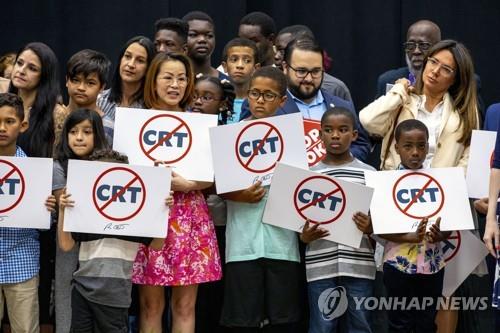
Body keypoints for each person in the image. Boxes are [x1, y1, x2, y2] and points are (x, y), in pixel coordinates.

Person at [132, 52, 222, 333]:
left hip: (190, 218)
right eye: (168, 77)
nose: (175, 85)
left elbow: (215, 176)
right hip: (148, 216)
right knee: (150, 307)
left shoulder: (199, 123)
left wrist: (191, 185)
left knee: (185, 307)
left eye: (182, 78)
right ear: (153, 81)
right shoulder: (135, 122)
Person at [219, 66, 301, 332]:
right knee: (243, 321)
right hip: (242, 243)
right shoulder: (230, 136)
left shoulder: (292, 138)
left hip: (283, 243)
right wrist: (237, 194)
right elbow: (216, 185)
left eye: (268, 95)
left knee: (283, 319)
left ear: (282, 100)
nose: (260, 101)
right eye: (255, 93)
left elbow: (303, 188)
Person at [57, 148, 172, 332]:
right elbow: (66, 244)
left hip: (115, 294)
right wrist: (63, 211)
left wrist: (162, 211)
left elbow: (157, 245)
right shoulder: (86, 214)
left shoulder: (135, 216)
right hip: (82, 289)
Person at [8, 42, 68, 332]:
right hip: (4, 214)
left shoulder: (57, 114)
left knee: (36, 302)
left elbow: (61, 167)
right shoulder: (2, 103)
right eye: (20, 63)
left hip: (40, 219)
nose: (22, 71)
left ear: (44, 76)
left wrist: (51, 200)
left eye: (32, 68)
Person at [300, 106, 376, 333]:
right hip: (320, 263)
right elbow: (299, 226)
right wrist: (304, 236)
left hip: (359, 264)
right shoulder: (308, 175)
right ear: (319, 134)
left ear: (354, 135)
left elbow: (379, 224)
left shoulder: (369, 174)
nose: (335, 135)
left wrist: (371, 227)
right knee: (322, 326)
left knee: (361, 325)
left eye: (343, 130)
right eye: (329, 130)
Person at [360, 39, 479, 171]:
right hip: (396, 186)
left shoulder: (463, 113)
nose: (435, 71)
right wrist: (399, 90)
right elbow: (368, 121)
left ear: (455, 79)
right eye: (433, 62)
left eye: (446, 69)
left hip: (442, 188)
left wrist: (450, 185)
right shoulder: (402, 102)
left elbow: (469, 159)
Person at [380, 119, 450, 332]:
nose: (415, 152)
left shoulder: (441, 181)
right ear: (397, 148)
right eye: (408, 146)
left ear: (428, 147)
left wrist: (440, 235)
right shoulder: (385, 181)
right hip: (397, 265)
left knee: (427, 322)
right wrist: (410, 237)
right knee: (399, 322)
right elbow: (380, 227)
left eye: (421, 146)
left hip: (432, 264)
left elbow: (450, 224)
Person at [0, 92, 56, 333]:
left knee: (26, 329)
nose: (2, 128)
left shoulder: (35, 172)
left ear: (23, 125)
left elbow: (44, 223)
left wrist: (49, 210)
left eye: (9, 121)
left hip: (20, 261)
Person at [52, 108, 109, 333]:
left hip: (100, 244)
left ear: (98, 135)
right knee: (66, 294)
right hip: (68, 241)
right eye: (73, 131)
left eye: (87, 131)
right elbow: (62, 205)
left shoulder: (110, 166)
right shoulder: (58, 166)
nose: (79, 137)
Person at [280, 38, 370, 162]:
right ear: (285, 67)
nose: (309, 79)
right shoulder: (269, 107)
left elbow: (361, 144)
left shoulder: (342, 106)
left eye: (316, 71)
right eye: (301, 71)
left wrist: (338, 161)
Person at [97, 36, 155, 144]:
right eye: (127, 56)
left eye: (140, 61)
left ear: (149, 68)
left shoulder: (152, 108)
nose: (131, 64)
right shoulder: (99, 100)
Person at [274, 25, 352, 102]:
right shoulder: (269, 85)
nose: (276, 56)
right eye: (301, 71)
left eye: (283, 51)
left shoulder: (334, 88)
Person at [376, 20, 441, 98]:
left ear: (438, 48)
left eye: (424, 45)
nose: (416, 51)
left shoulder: (446, 82)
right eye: (411, 45)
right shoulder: (387, 80)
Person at [221, 37, 260, 123]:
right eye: (234, 60)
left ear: (256, 68)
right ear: (225, 66)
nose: (240, 65)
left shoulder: (261, 103)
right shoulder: (217, 101)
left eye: (247, 60)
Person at [182, 11, 227, 79]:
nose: (202, 39)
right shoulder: (175, 82)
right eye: (193, 35)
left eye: (209, 35)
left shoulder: (227, 83)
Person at [65, 49, 111, 114]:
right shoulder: (50, 120)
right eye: (76, 80)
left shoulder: (107, 124)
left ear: (102, 87)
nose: (81, 88)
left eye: (90, 83)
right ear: (67, 81)